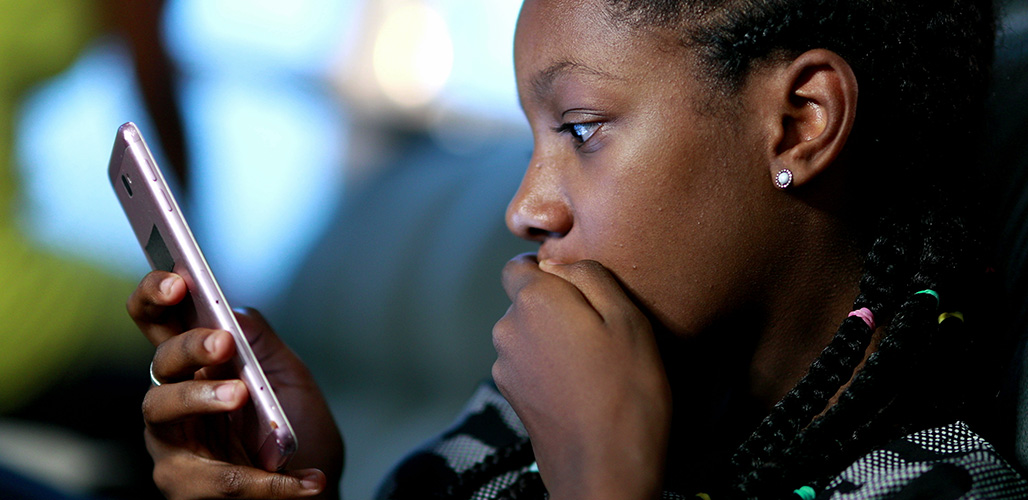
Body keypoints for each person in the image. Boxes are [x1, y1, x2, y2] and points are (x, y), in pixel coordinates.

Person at [129, 0, 1028, 498]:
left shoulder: (939, 487)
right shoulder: (523, 413)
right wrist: (298, 489)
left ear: (800, 123)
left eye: (582, 128)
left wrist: (604, 471)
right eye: (533, 137)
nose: (525, 207)